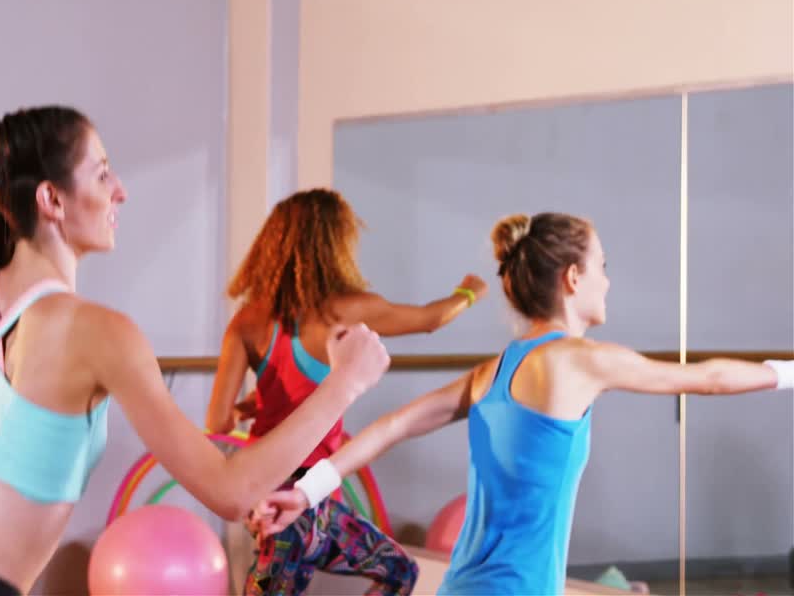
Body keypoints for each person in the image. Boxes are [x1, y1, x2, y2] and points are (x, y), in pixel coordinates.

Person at [0, 106, 392, 596]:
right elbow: (231, 491)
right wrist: (345, 384)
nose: (120, 190)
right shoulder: (100, 331)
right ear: (51, 199)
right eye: (101, 173)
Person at [250, 212, 794, 595]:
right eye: (603, 264)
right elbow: (707, 378)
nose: (608, 279)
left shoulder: (494, 372)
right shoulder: (578, 360)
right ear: (573, 277)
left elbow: (392, 426)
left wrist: (306, 489)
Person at [207, 188, 488, 596]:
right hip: (303, 506)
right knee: (400, 574)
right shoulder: (350, 310)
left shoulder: (247, 322)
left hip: (286, 497)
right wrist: (469, 293)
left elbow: (217, 423)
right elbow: (430, 319)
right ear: (336, 244)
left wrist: (251, 407)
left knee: (400, 570)